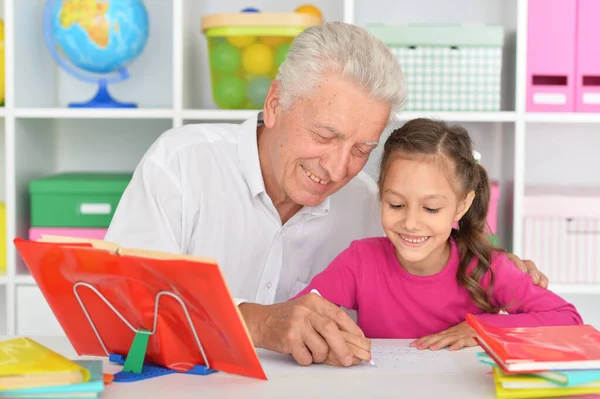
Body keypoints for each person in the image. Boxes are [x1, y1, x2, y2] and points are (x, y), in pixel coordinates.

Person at [104, 22, 549, 368]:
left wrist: (496, 281)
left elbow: (435, 257)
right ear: (275, 103)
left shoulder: (369, 203)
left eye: (361, 149)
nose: (338, 169)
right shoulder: (182, 163)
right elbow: (119, 311)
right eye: (325, 135)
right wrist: (255, 322)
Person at [294, 118, 583, 354]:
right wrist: (329, 341)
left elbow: (568, 320)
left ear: (461, 205)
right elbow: (301, 315)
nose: (411, 222)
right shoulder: (360, 260)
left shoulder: (486, 267)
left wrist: (483, 328)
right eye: (396, 204)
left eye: (431, 208)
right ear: (381, 193)